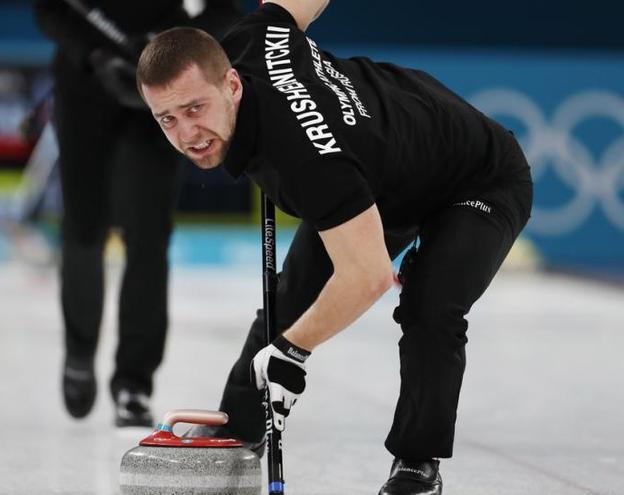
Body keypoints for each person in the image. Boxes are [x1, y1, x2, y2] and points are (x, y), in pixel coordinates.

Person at [135, 0, 533, 492]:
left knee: (431, 307)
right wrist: (286, 335)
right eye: (167, 119)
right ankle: (239, 428)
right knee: (290, 298)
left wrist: (293, 351)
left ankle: (417, 463)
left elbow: (367, 277)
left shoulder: (308, 160)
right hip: (383, 171)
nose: (188, 134)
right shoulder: (253, 35)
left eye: (195, 108)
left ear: (232, 85)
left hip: (478, 178)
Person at [31, 0, 240, 427]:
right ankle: (79, 351)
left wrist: (167, 47)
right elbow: (50, 9)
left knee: (148, 237)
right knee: (84, 226)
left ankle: (133, 383)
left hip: (162, 90)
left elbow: (225, 10)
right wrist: (94, 55)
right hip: (86, 85)